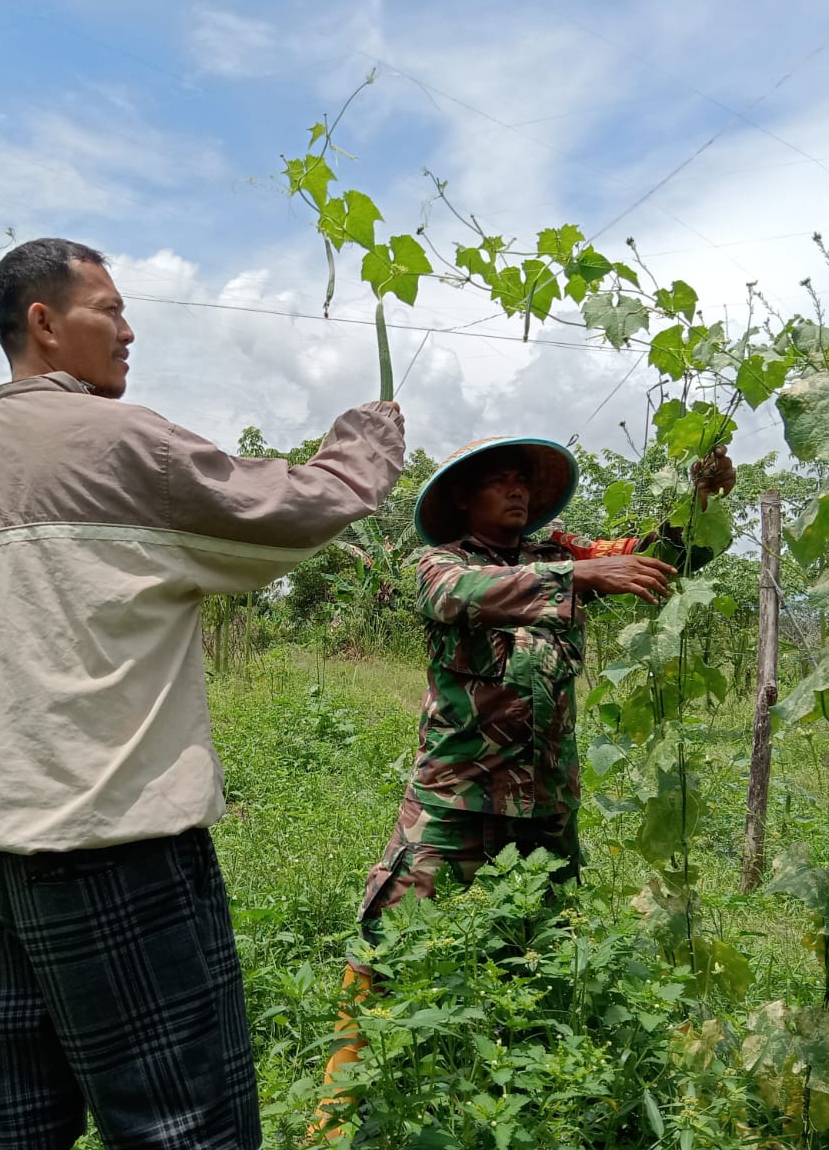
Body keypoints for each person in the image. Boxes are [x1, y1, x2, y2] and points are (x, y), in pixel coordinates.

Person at [0, 237, 406, 1150]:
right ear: (44, 324)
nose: (130, 331)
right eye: (110, 311)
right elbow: (287, 515)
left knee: (32, 1126)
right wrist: (365, 446)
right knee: (184, 1127)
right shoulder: (120, 444)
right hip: (112, 847)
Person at [313, 435, 734, 1126]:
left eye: (523, 482)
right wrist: (579, 582)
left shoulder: (559, 555)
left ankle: (532, 1094)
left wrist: (700, 501)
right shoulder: (442, 562)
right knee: (388, 933)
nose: (517, 493)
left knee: (545, 937)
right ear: (462, 497)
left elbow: (659, 560)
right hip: (457, 794)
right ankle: (335, 1104)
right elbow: (456, 596)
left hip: (545, 799)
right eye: (500, 481)